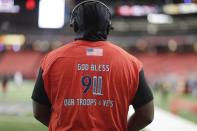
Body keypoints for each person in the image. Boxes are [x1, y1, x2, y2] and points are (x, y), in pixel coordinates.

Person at [32, 1, 154, 131]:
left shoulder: (51, 60)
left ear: (74, 26)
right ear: (108, 27)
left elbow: (38, 111)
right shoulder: (131, 64)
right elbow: (146, 115)